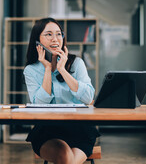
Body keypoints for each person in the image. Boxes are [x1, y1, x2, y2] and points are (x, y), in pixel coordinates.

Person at [23, 17, 100, 164]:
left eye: (59, 34)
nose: (55, 39)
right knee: (65, 156)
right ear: (37, 41)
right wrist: (47, 69)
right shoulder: (31, 70)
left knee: (67, 161)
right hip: (47, 130)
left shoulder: (77, 64)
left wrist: (62, 70)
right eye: (49, 34)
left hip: (79, 129)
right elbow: (38, 103)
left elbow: (88, 97)